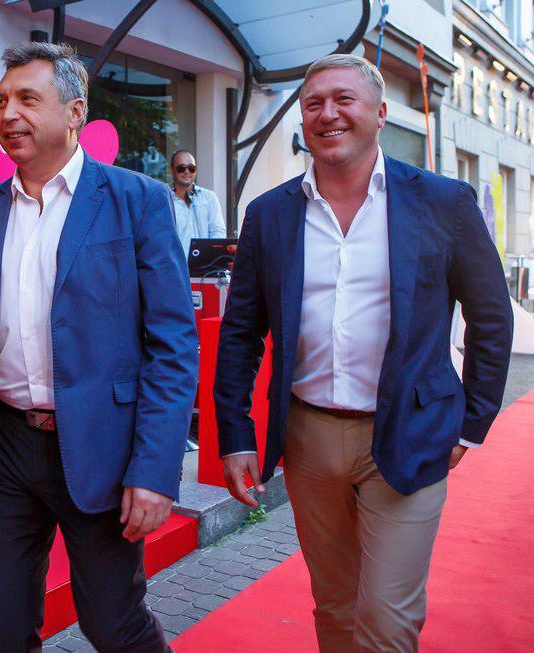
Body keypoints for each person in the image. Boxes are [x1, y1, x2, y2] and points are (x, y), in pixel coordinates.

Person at [214, 54, 513, 652]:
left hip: (411, 432)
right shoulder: (269, 214)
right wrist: (237, 435)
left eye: (343, 99)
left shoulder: (444, 203)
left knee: (386, 619)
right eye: (314, 103)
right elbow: (242, 331)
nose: (328, 113)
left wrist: (471, 424)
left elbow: (491, 317)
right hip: (308, 438)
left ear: (380, 113)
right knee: (335, 604)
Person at [0, 42, 197, 652]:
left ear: (75, 112)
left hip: (101, 447)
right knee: (4, 630)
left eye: (28, 99)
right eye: (2, 100)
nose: (9, 114)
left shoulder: (137, 200)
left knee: (113, 624)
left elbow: (173, 347)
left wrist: (155, 470)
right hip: (2, 450)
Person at [169, 150, 226, 259]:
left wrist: (210, 256)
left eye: (191, 168)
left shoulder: (209, 197)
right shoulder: (165, 199)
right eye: (181, 168)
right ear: (171, 170)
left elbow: (218, 232)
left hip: (205, 265)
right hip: (176, 266)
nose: (187, 171)